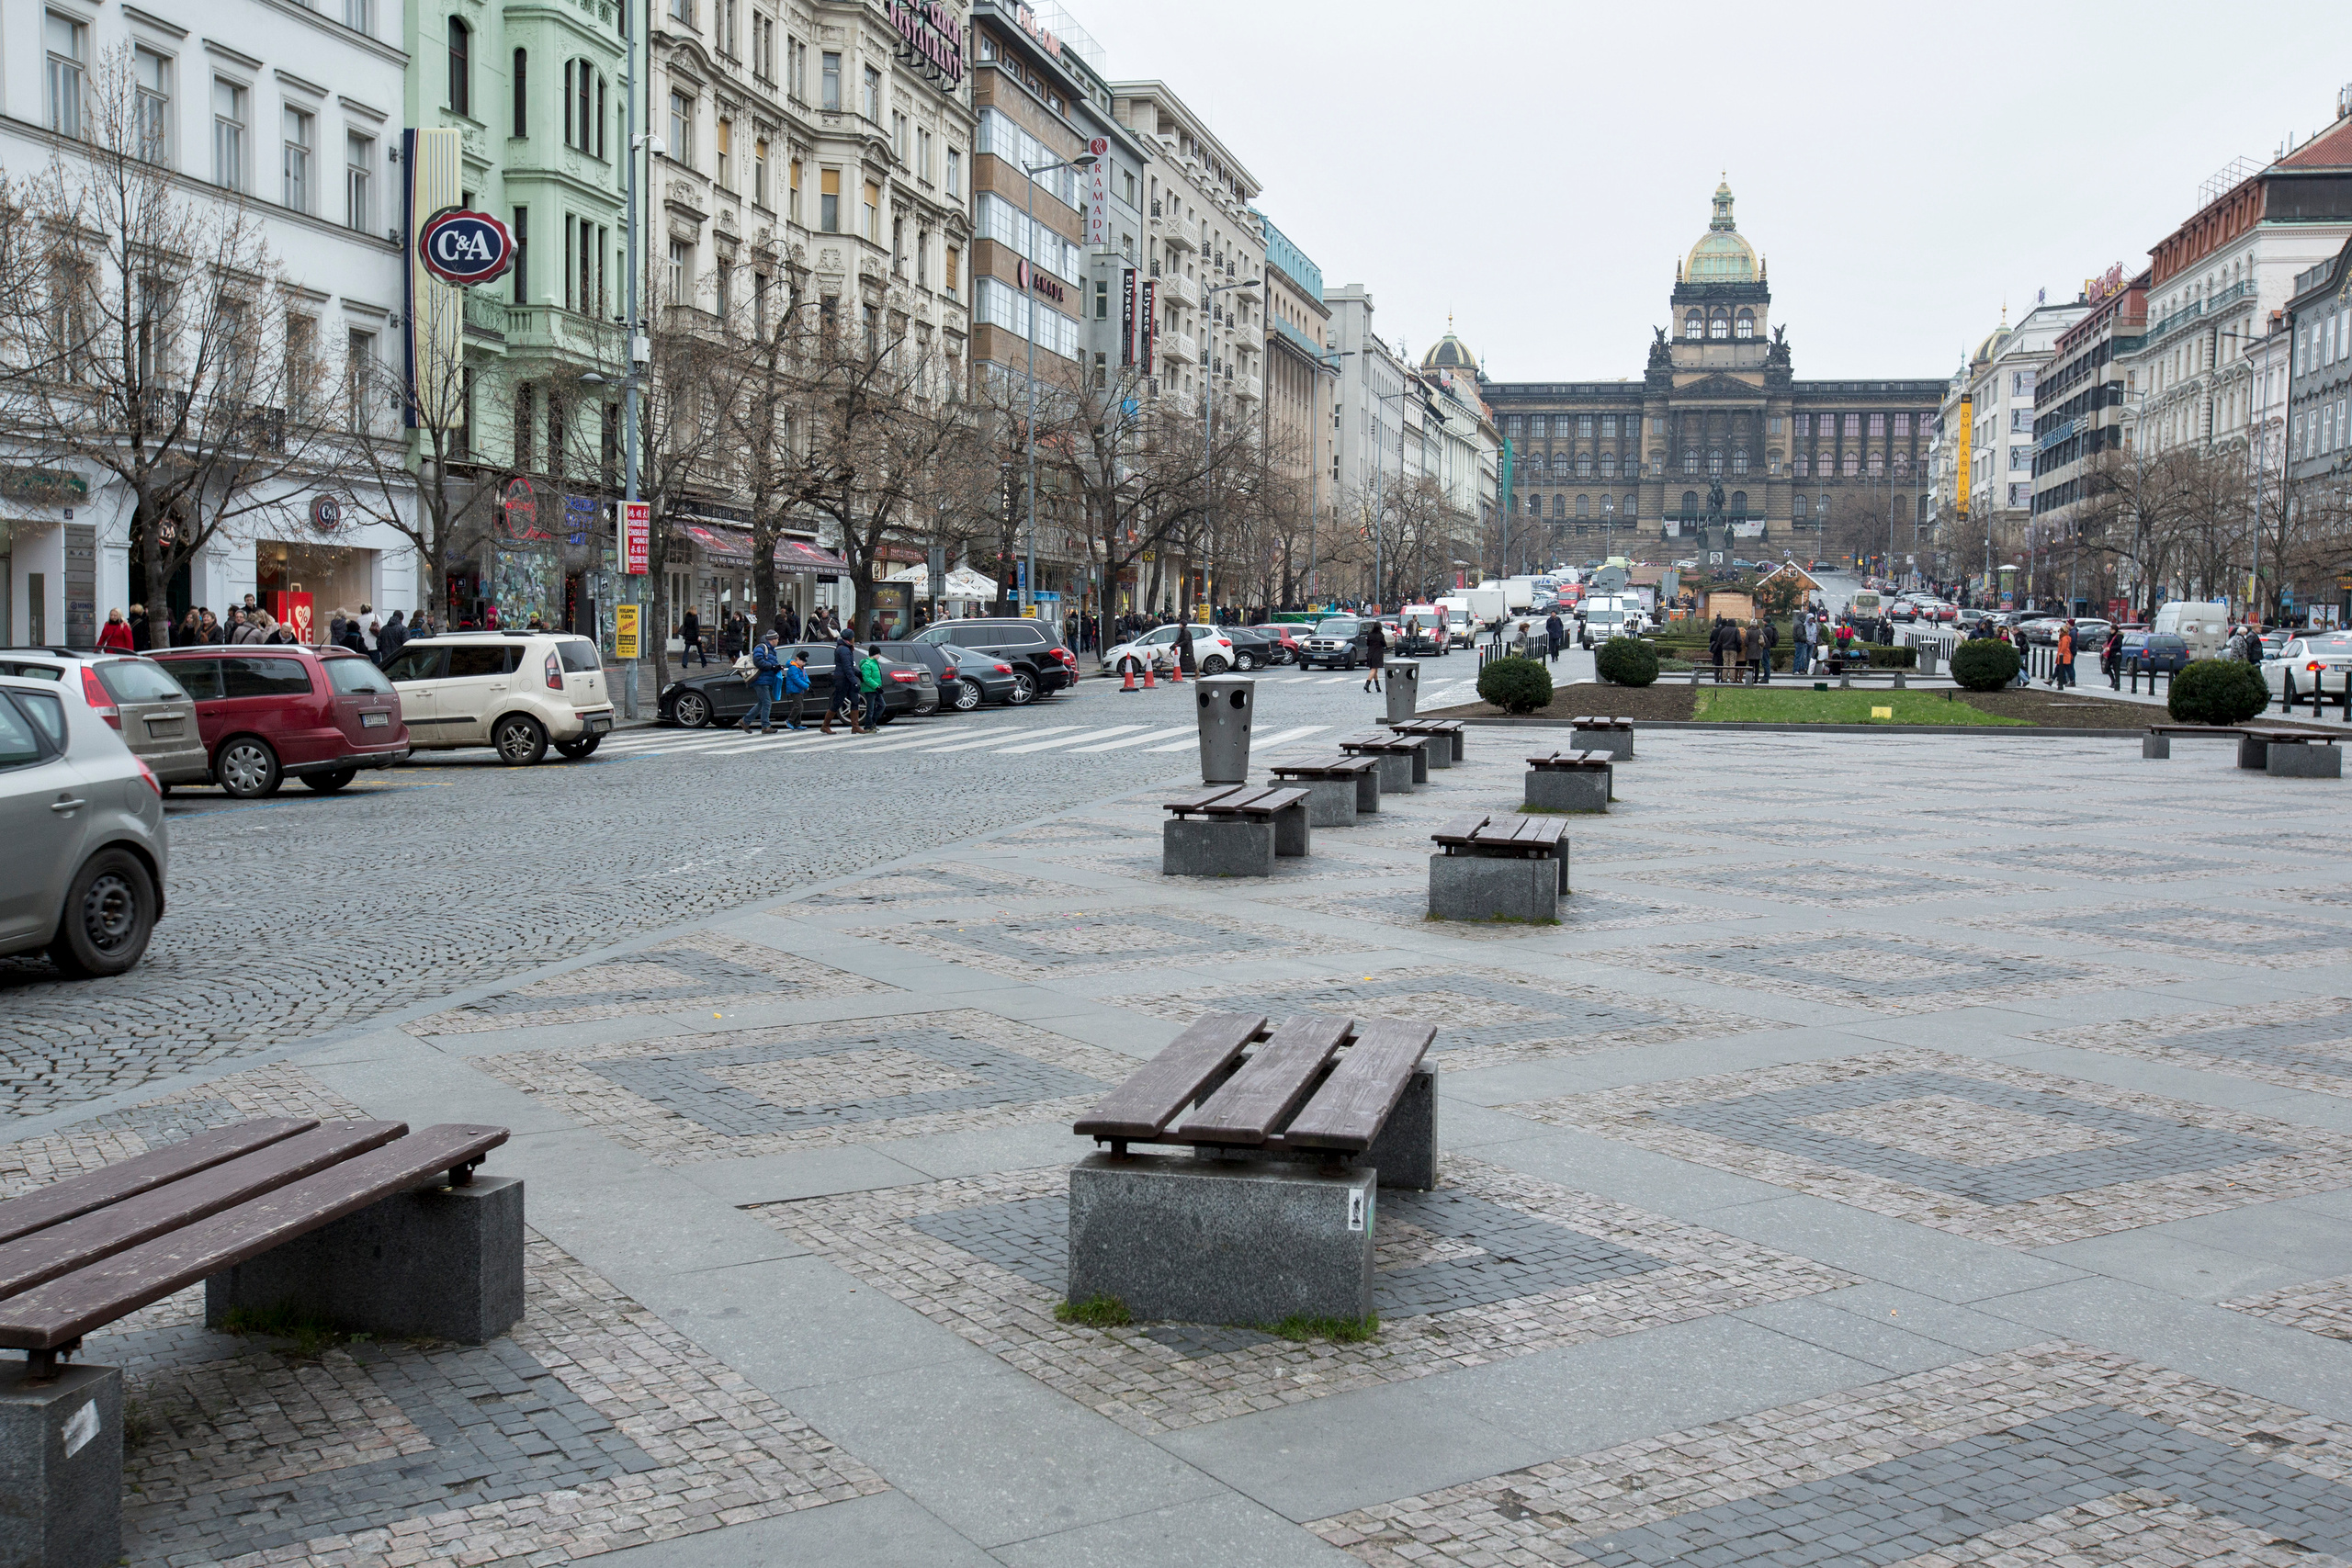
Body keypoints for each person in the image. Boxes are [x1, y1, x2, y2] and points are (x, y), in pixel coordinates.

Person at [824, 629, 864, 735]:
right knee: (838, 701)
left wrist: (858, 673)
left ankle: (855, 726)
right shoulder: (844, 650)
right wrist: (854, 681)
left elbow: (849, 667)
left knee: (855, 700)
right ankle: (825, 725)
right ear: (850, 638)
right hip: (842, 679)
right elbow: (846, 668)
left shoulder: (845, 648)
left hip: (846, 678)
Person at [741, 633, 783, 732]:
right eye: (777, 639)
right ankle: (765, 726)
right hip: (760, 680)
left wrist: (777, 667)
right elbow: (758, 661)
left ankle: (745, 721)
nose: (778, 641)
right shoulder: (761, 647)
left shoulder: (771, 650)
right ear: (773, 639)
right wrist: (772, 667)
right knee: (767, 703)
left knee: (762, 703)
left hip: (766, 680)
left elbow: (769, 662)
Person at [782, 648, 812, 729]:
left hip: (799, 690)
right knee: (798, 706)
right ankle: (790, 720)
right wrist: (806, 686)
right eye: (802, 662)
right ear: (797, 659)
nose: (804, 664)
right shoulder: (793, 668)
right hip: (794, 690)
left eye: (805, 662)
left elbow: (805, 676)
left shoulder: (801, 667)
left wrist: (808, 682)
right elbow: (796, 680)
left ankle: (797, 724)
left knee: (800, 706)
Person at [859, 644, 888, 730]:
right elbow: (867, 678)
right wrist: (877, 686)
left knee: (882, 705)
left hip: (876, 689)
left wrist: (878, 687)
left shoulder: (875, 664)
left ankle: (872, 722)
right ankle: (868, 726)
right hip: (870, 689)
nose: (879, 656)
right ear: (874, 654)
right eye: (878, 654)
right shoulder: (867, 664)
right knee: (870, 708)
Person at [1363, 615, 1387, 694]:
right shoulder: (1380, 635)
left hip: (1370, 653)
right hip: (1378, 653)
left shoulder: (1370, 635)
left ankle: (1377, 687)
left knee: (1374, 670)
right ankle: (1367, 684)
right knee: (1374, 669)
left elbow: (1368, 643)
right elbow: (1384, 644)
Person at [1757, 615, 1778, 683]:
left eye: (1763, 621)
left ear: (1765, 622)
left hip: (1765, 647)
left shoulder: (1767, 629)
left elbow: (1761, 637)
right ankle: (1766, 677)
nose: (1762, 622)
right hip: (1767, 647)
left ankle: (1766, 677)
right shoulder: (1771, 628)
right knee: (1766, 662)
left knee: (1765, 662)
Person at [2103, 625, 2125, 689]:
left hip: (2116, 655)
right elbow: (2108, 643)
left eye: (2111, 629)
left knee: (2116, 669)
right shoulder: (2110, 635)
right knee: (2107, 667)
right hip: (2110, 654)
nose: (2110, 631)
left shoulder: (2118, 636)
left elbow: (2119, 646)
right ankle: (2113, 681)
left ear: (2114, 630)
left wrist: (2110, 648)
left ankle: (2117, 683)